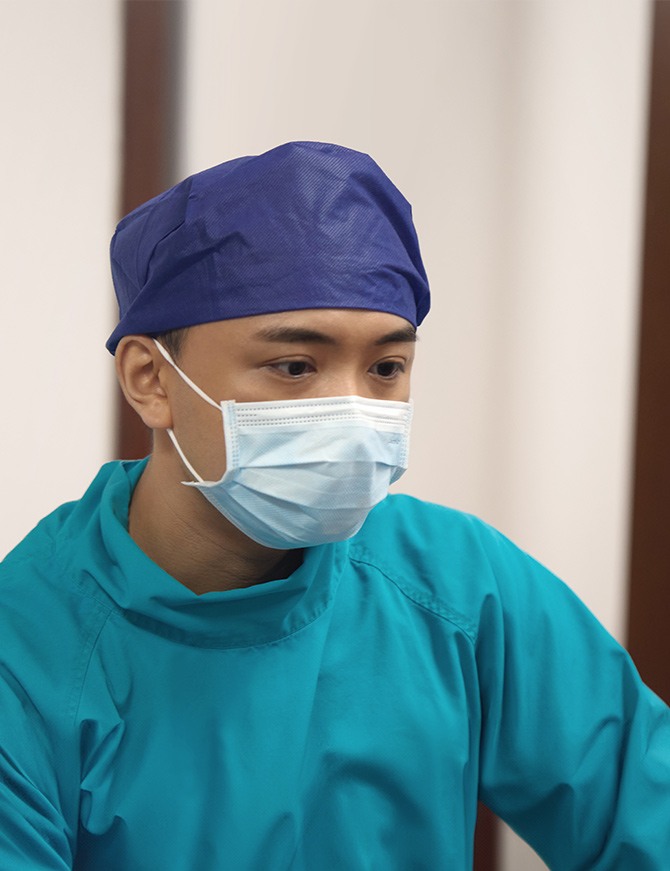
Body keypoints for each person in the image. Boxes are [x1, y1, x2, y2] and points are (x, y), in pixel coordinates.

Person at [0, 141, 668, 871]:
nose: (351, 414)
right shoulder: (26, 653)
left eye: (386, 367)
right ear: (151, 379)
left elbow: (643, 808)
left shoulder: (456, 584)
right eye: (294, 366)